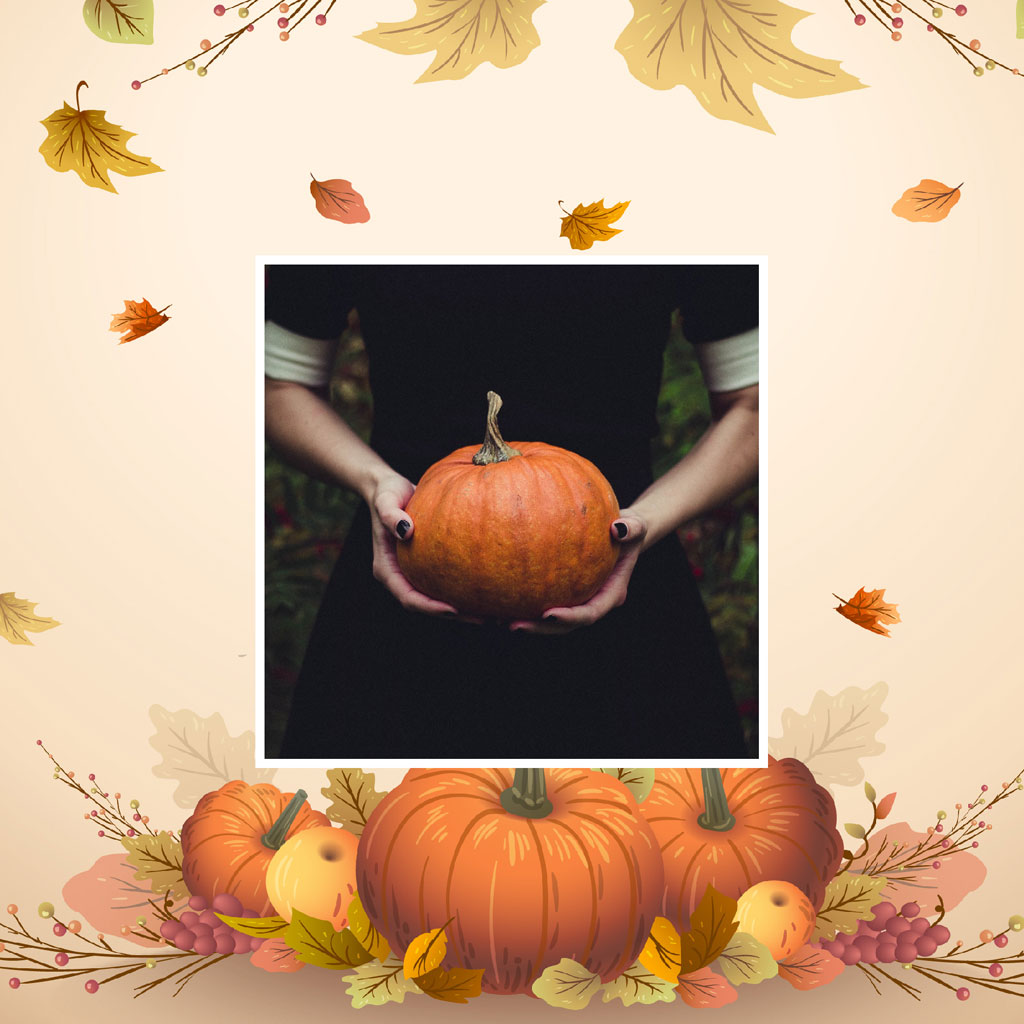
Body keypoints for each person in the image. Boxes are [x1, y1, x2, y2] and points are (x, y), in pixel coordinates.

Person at [265, 264, 758, 758]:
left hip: (620, 567)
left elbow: (754, 404)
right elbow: (278, 385)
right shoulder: (350, 206)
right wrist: (374, 482)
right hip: (405, 560)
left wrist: (645, 521)